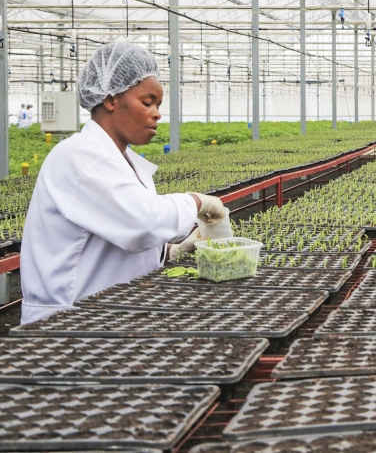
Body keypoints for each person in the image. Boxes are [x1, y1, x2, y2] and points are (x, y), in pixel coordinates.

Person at [19, 42, 231, 325]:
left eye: (158, 105)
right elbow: (143, 222)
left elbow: (114, 236)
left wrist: (172, 251)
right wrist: (196, 201)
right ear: (110, 99)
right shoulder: (81, 157)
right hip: (68, 321)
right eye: (147, 102)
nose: (156, 113)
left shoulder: (119, 159)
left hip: (108, 316)